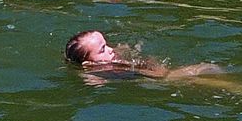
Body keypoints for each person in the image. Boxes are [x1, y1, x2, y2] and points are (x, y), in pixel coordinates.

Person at [64, 30, 224, 82]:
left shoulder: (116, 60)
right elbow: (161, 76)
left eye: (107, 44)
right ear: (87, 63)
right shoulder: (95, 74)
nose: (111, 50)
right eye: (103, 49)